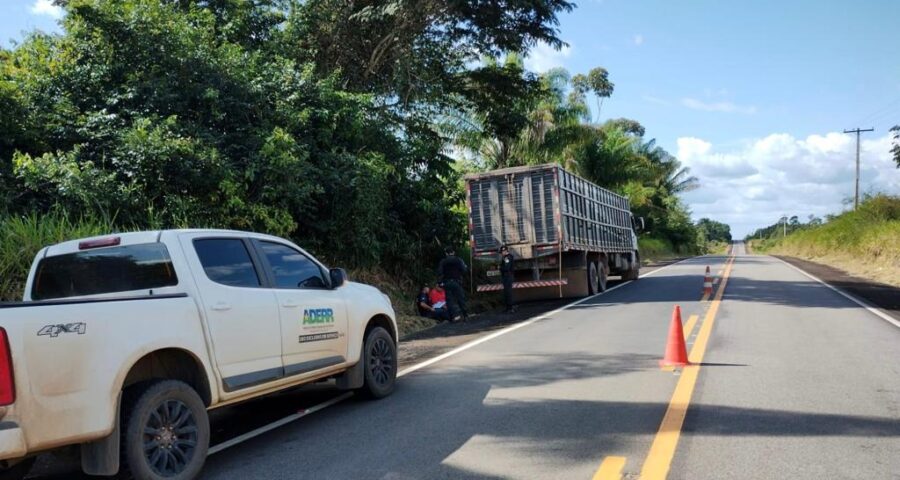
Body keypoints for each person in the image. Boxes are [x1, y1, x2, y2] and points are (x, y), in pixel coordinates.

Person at [438, 246, 468, 322]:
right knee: (461, 298)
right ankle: (465, 315)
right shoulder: (458, 260)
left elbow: (440, 272)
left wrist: (440, 282)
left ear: (446, 253)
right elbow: (464, 270)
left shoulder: (443, 261)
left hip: (447, 282)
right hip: (456, 282)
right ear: (453, 252)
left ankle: (453, 317)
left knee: (449, 300)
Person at [499, 245, 517, 313]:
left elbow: (507, 268)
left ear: (505, 251)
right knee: (506, 292)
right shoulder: (506, 257)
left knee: (508, 292)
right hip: (507, 276)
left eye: (502, 252)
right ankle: (508, 307)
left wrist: (500, 268)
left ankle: (510, 308)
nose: (501, 253)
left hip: (508, 276)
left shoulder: (507, 258)